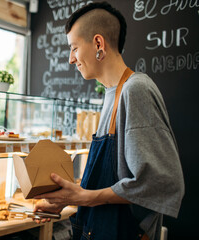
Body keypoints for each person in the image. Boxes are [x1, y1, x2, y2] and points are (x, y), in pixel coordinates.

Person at [33, 2, 184, 240]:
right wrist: (67, 201)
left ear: (98, 44)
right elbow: (113, 180)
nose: (71, 59)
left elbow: (159, 182)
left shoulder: (136, 90)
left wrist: (84, 197)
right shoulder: (112, 93)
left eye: (74, 48)